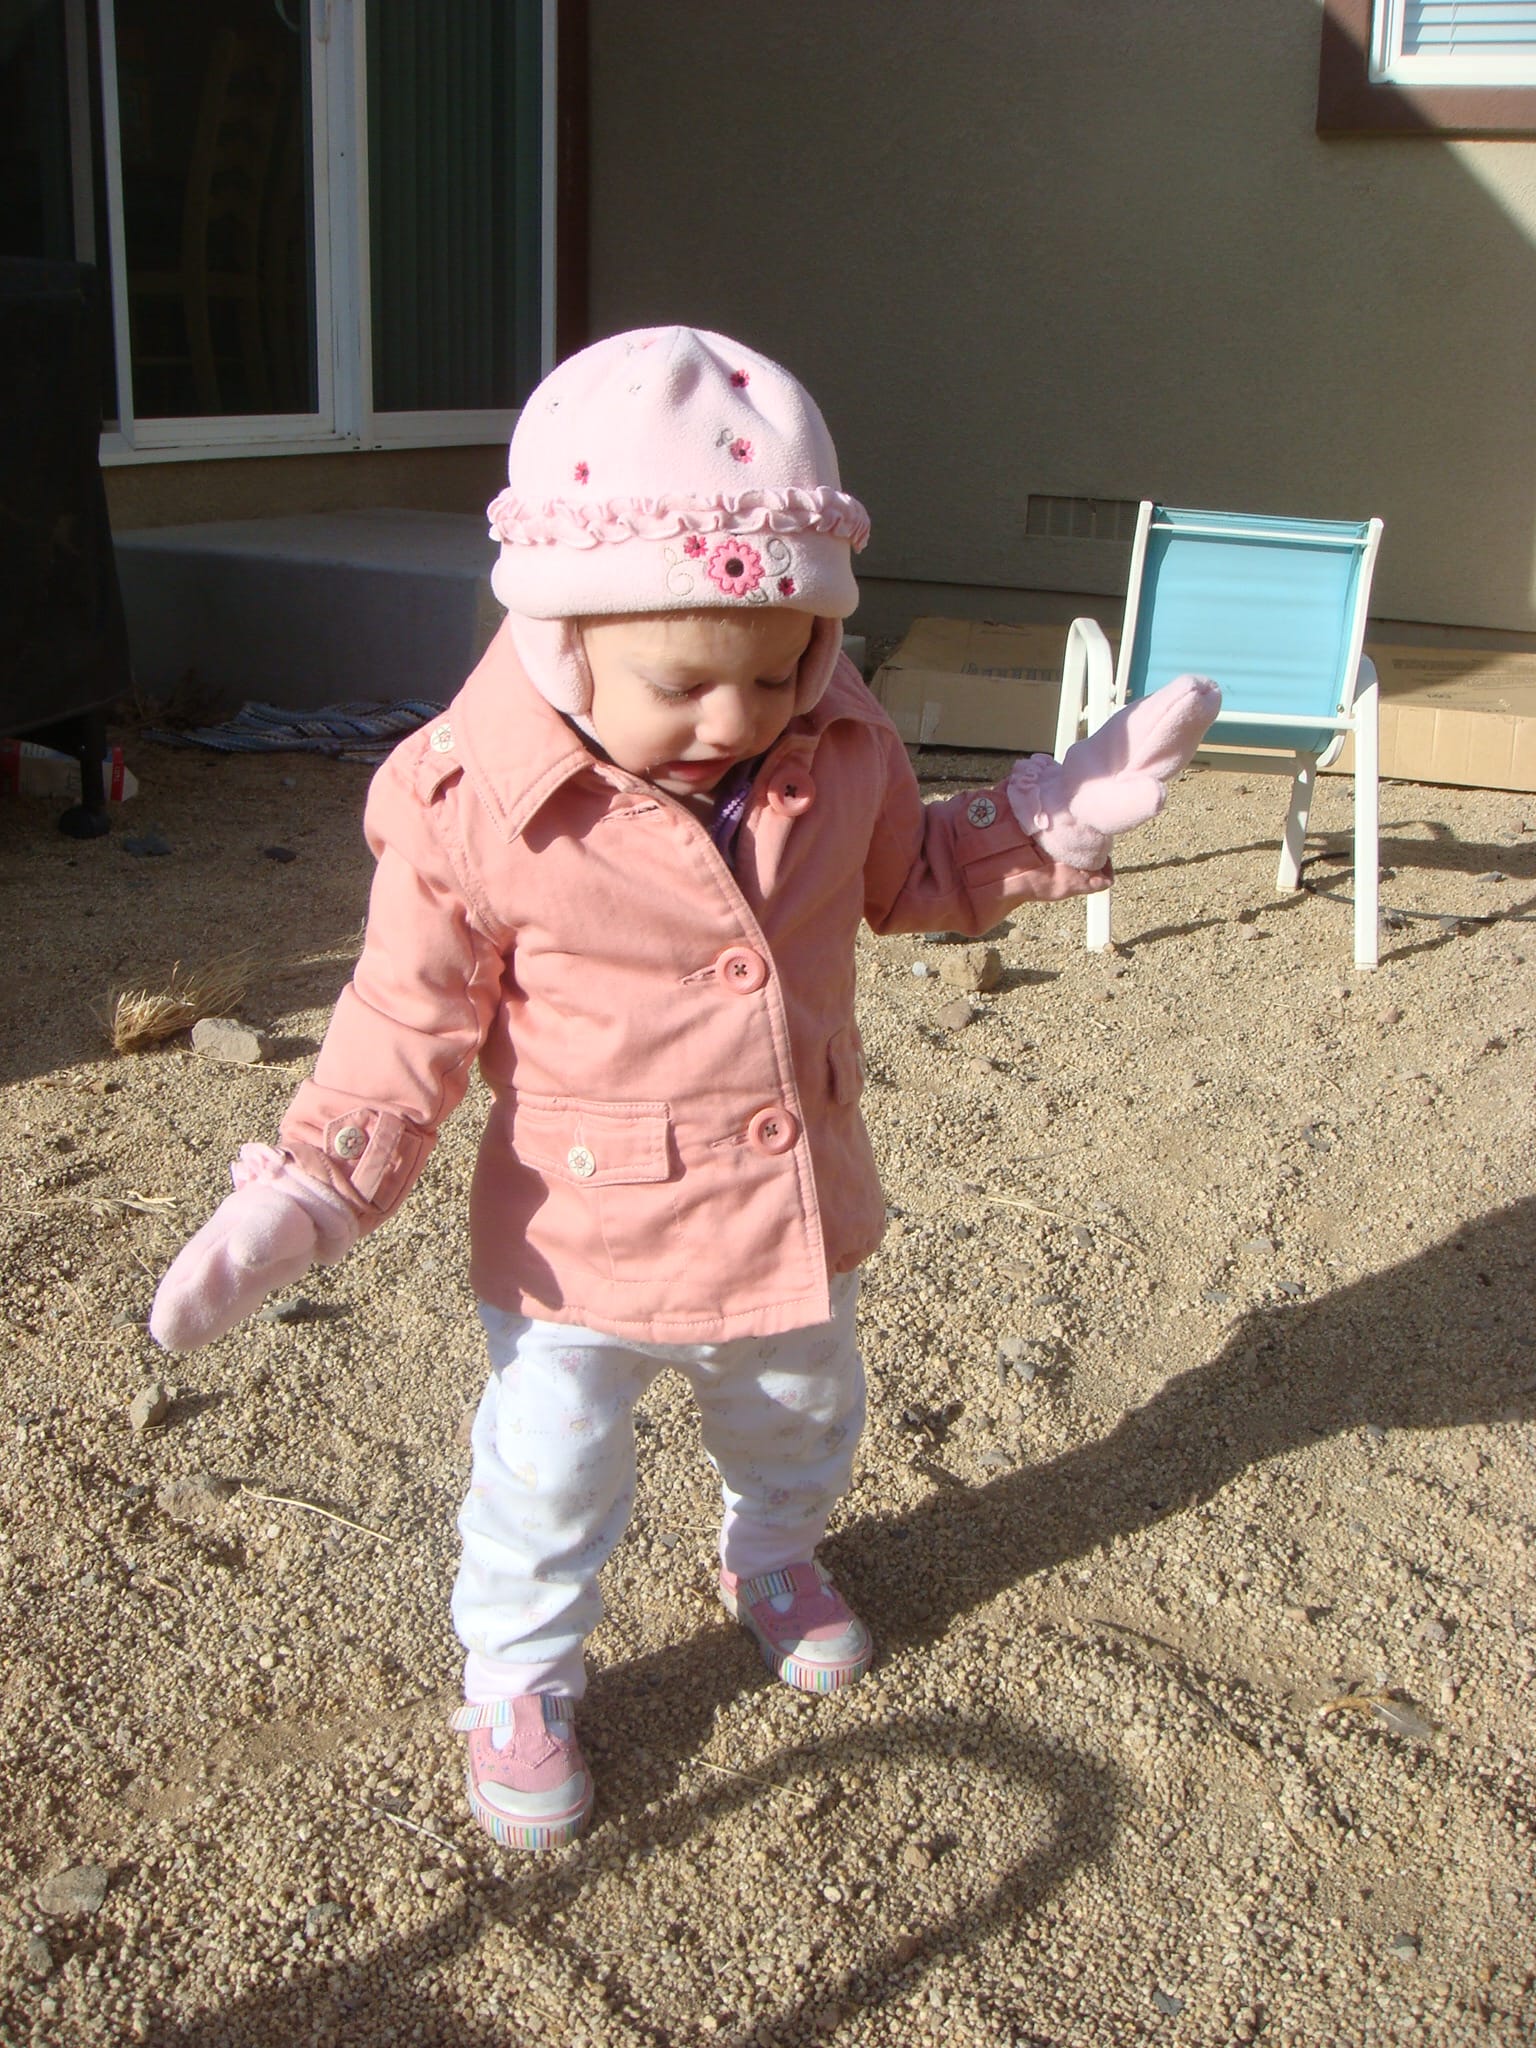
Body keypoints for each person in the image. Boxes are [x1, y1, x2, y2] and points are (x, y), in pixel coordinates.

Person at [150, 327, 1219, 1851]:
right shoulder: (472, 804)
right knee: (550, 1473)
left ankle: (770, 1554)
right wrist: (315, 1183)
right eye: (686, 684)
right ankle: (516, 1678)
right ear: (561, 641)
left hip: (786, 1205)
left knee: (803, 1413)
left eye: (783, 668)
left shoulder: (839, 739)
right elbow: (404, 1015)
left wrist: (1051, 814)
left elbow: (911, 877)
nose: (742, 719)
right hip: (577, 1243)